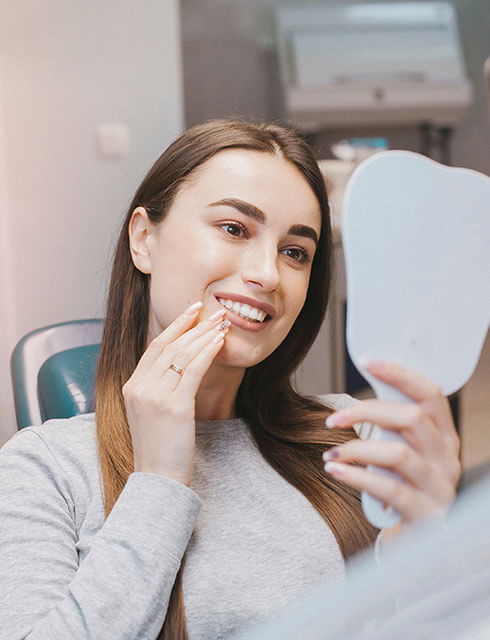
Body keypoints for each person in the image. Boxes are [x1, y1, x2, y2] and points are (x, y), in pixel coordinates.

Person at [0, 119, 461, 640]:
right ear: (144, 239)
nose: (267, 274)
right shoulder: (44, 468)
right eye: (234, 228)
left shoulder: (356, 444)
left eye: (295, 252)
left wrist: (426, 545)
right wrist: (159, 481)